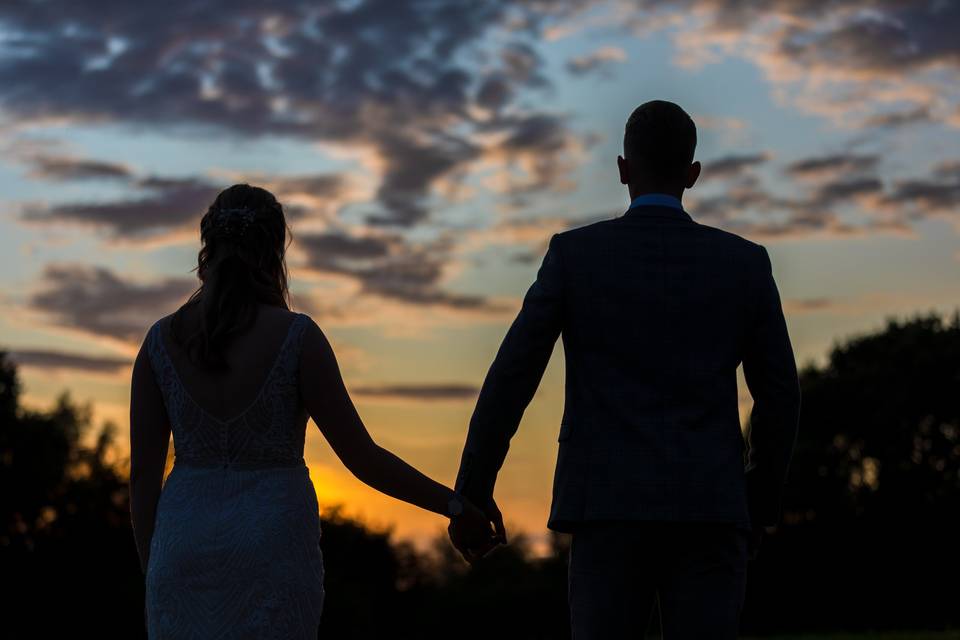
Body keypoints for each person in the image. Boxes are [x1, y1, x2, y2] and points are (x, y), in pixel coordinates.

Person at [449, 100, 802, 638]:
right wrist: (758, 502)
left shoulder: (575, 256)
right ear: (692, 174)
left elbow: (512, 377)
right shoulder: (745, 263)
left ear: (622, 169)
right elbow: (779, 395)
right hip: (710, 511)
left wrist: (472, 489)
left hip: (606, 509)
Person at [128, 184, 498, 638]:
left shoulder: (160, 342)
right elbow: (363, 458)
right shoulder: (297, 338)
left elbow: (143, 477)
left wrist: (156, 568)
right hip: (272, 548)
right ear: (274, 250)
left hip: (179, 549)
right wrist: (456, 506)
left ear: (208, 246)